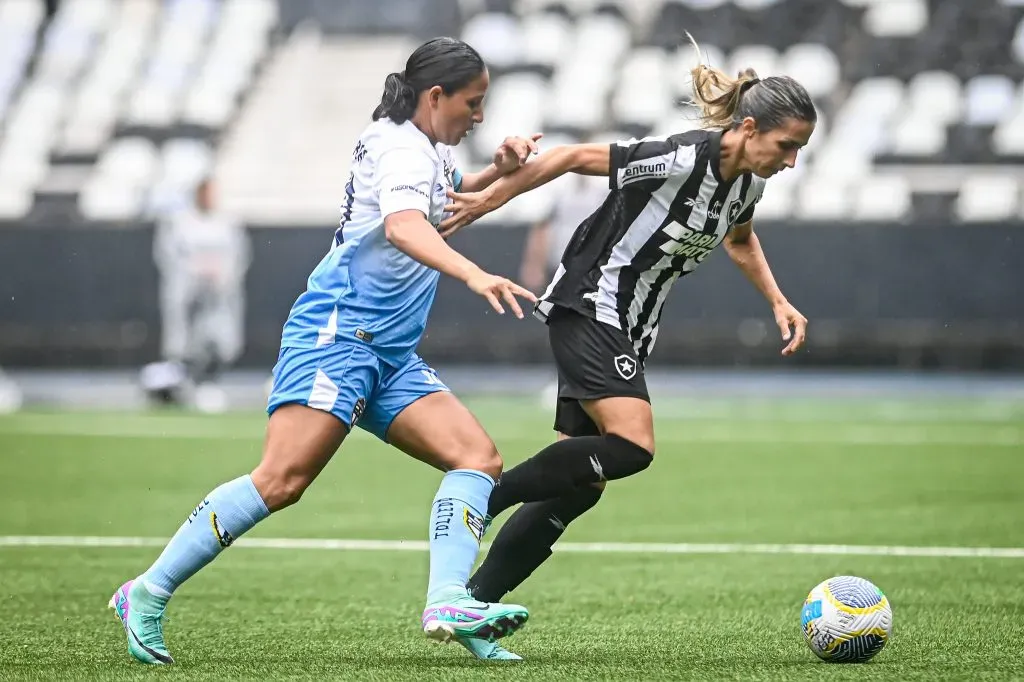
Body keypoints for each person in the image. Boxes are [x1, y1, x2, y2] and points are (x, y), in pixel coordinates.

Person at [110, 37, 543, 666]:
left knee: (477, 459)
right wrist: (475, 274)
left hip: (387, 352)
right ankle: (146, 592)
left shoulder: (421, 145)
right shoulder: (401, 148)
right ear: (435, 96)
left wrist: (500, 169)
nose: (479, 116)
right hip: (337, 339)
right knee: (281, 480)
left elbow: (446, 198)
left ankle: (449, 600)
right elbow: (404, 225)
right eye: (473, 103)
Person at [440, 42, 816, 649]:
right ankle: (481, 500)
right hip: (591, 304)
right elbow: (571, 157)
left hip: (630, 328)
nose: (792, 161)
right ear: (749, 129)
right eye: (786, 145)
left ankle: (473, 608)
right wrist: (490, 198)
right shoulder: (681, 157)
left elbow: (740, 240)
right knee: (633, 446)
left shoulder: (747, 185)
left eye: (800, 149)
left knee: (580, 487)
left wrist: (777, 300)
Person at [143, 177, 250, 413]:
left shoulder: (227, 223)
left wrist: (223, 276)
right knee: (185, 343)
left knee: (218, 339)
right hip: (189, 294)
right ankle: (181, 387)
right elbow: (169, 256)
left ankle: (209, 385)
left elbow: (239, 256)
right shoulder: (180, 223)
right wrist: (192, 273)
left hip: (219, 295)